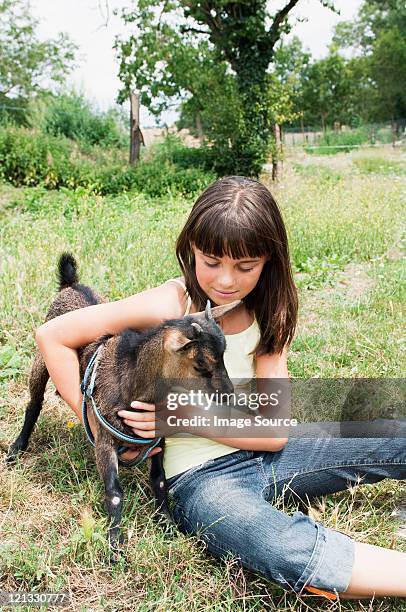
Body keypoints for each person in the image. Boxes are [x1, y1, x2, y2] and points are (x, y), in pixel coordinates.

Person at [36, 176, 406, 601]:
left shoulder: (267, 312)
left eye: (245, 267)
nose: (226, 280)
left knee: (387, 434)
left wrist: (180, 417)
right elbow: (53, 337)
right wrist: (92, 419)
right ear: (190, 248)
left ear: (269, 261)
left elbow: (274, 433)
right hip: (202, 479)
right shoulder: (170, 307)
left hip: (270, 451)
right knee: (277, 546)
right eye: (211, 261)